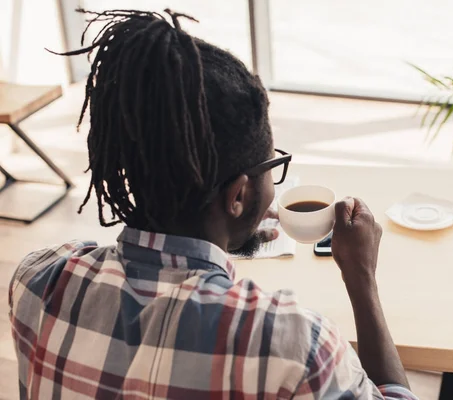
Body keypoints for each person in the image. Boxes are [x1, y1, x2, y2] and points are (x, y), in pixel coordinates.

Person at [9, 9, 418, 400]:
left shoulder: (38, 281)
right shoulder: (293, 347)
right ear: (237, 195)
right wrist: (361, 277)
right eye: (271, 166)